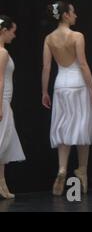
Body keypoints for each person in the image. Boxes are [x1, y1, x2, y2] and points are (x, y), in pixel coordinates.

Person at [42, 1, 92, 196]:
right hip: (78, 83)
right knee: (82, 126)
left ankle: (61, 169)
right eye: (73, 12)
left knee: (63, 127)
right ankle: (82, 172)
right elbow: (83, 64)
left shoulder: (49, 38)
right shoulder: (77, 36)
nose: (76, 15)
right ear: (66, 15)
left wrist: (44, 92)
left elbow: (47, 68)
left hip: (60, 85)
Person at [0, 15, 25, 199]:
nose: (14, 36)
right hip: (2, 101)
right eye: (12, 32)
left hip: (4, 100)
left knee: (3, 144)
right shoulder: (2, 53)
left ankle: (2, 183)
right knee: (2, 143)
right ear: (4, 31)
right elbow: (0, 80)